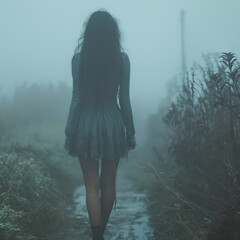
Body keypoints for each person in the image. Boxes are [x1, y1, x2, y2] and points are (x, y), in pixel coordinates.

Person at [64, 9, 136, 240]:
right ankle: (101, 233)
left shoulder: (78, 60)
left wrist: (70, 130)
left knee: (91, 186)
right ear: (113, 34)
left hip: (85, 121)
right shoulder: (122, 60)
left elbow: (76, 97)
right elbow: (124, 100)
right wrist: (131, 132)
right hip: (112, 122)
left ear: (89, 33)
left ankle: (97, 237)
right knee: (108, 184)